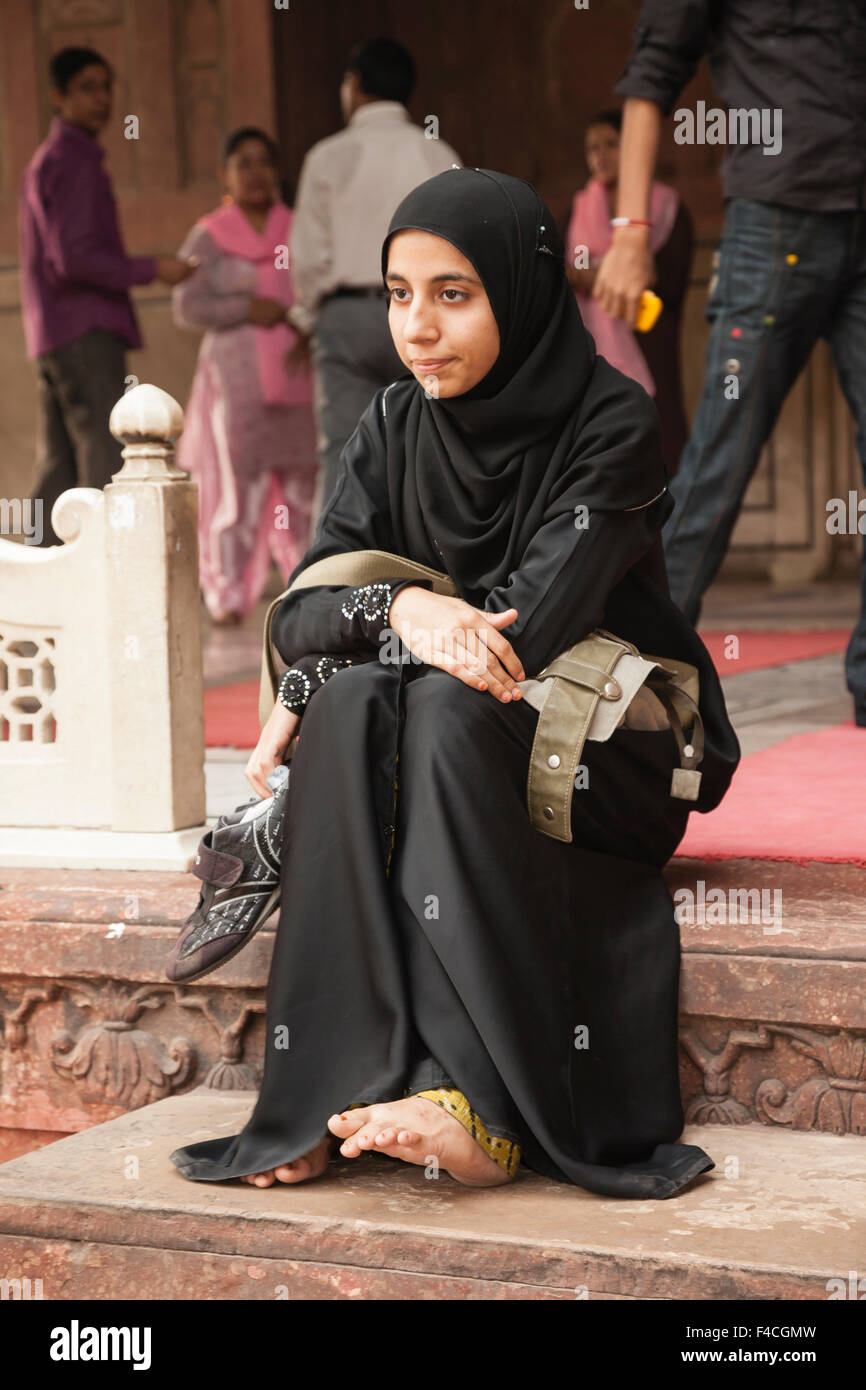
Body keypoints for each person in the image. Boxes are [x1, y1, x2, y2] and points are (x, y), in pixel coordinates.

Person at [169, 168, 739, 1200]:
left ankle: (476, 1105)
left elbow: (513, 640)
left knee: (423, 702)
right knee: (360, 701)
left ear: (516, 296)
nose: (417, 327)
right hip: (458, 729)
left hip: (615, 752)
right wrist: (395, 613)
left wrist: (358, 646)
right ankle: (318, 1094)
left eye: (452, 293)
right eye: (396, 294)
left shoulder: (611, 421)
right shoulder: (393, 424)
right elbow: (301, 614)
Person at [595, 0, 866, 725]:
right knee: (719, 461)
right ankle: (630, 677)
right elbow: (651, 77)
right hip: (774, 226)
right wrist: (629, 232)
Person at [19, 46, 194, 546]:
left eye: (106, 86)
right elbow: (73, 260)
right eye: (87, 88)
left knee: (59, 463)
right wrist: (153, 269)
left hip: (54, 331)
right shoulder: (72, 161)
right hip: (83, 328)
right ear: (58, 96)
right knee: (98, 453)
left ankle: (28, 578)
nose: (102, 99)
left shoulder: (53, 159)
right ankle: (94, 573)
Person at [289, 37, 461, 509]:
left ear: (356, 84)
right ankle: (430, 571)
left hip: (346, 315)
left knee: (345, 452)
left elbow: (306, 258)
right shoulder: (437, 152)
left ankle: (332, 578)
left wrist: (309, 317)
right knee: (432, 449)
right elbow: (462, 246)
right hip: (423, 314)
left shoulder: (326, 156)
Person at [173, 128, 317, 625]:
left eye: (264, 162)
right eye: (244, 162)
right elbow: (186, 306)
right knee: (237, 489)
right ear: (225, 174)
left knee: (303, 484)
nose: (256, 172)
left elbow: (317, 289)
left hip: (298, 374)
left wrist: (308, 327)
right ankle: (228, 596)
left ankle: (307, 586)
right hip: (236, 382)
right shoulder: (211, 234)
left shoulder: (299, 228)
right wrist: (243, 308)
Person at [566, 108, 693, 478]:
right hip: (594, 350)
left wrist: (597, 276)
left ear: (634, 148)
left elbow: (669, 281)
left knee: (660, 443)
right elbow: (559, 269)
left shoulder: (666, 206)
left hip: (648, 339)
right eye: (592, 148)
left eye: (610, 144)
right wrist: (600, 274)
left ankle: (672, 532)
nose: (599, 155)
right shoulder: (579, 207)